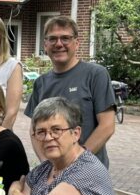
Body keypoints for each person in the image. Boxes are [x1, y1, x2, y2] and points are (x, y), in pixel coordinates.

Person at [24, 15, 116, 167]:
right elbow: (34, 131)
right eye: (52, 39)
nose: (59, 44)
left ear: (76, 43)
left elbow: (107, 126)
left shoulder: (95, 75)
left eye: (65, 38)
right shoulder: (41, 83)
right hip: (54, 172)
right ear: (45, 45)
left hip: (89, 170)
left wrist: (75, 163)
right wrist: (47, 164)